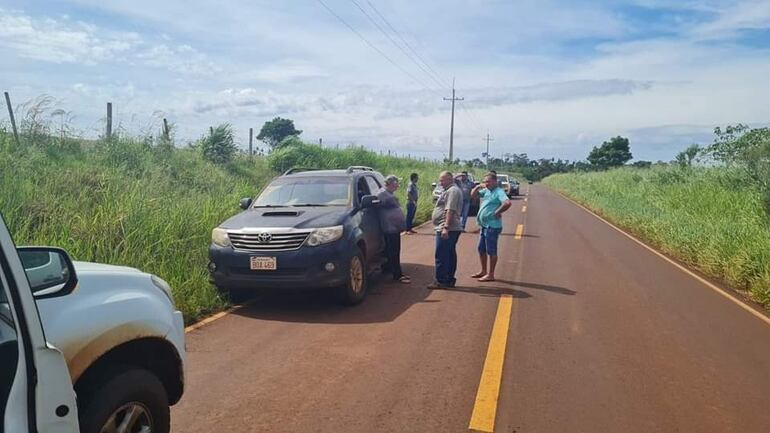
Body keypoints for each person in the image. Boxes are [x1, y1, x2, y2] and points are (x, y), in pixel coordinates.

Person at [470, 172, 512, 282]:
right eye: (485, 181)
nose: (486, 183)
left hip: (492, 226)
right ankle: (483, 271)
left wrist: (497, 212)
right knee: (481, 249)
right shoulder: (487, 191)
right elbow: (473, 195)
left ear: (494, 181)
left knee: (491, 251)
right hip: (485, 225)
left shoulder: (499, 192)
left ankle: (491, 274)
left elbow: (507, 203)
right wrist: (478, 186)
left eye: (488, 181)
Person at [428, 171, 463, 289]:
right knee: (449, 253)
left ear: (449, 179)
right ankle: (448, 279)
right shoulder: (450, 190)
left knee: (442, 254)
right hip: (449, 227)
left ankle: (441, 280)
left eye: (442, 180)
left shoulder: (452, 191)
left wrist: (445, 227)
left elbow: (450, 210)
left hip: (448, 228)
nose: (440, 183)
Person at [377, 175, 411, 283]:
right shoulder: (382, 194)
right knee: (394, 251)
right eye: (396, 183)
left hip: (393, 227)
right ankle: (397, 274)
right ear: (391, 183)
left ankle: (389, 269)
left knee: (392, 250)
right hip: (390, 227)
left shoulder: (388, 193)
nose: (397, 185)